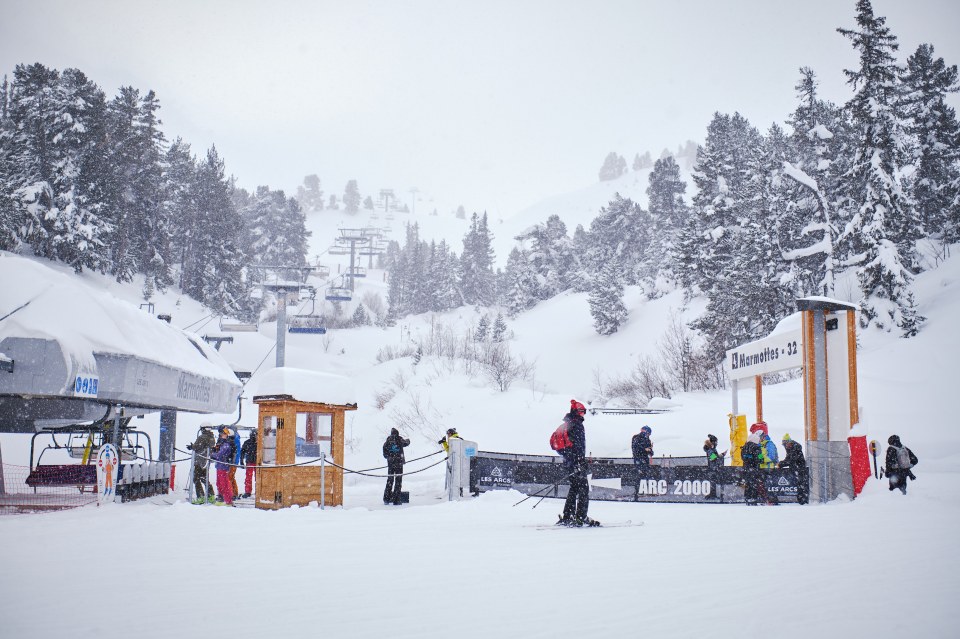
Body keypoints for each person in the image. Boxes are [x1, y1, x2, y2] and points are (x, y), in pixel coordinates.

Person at [558, 400, 599, 527]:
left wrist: (571, 460)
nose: (583, 415)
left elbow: (568, 447)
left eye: (584, 412)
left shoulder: (567, 424)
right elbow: (578, 446)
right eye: (581, 412)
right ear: (576, 412)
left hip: (569, 462)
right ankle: (581, 517)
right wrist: (580, 461)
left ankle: (568, 515)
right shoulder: (577, 425)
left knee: (574, 488)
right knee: (583, 489)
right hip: (576, 462)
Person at [750, 422, 778, 504]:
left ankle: (771, 500)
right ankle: (765, 499)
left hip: (768, 468)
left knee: (768, 485)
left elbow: (771, 457)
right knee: (761, 485)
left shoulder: (769, 444)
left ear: (763, 436)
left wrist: (761, 458)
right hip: (761, 468)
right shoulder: (759, 445)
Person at [186, 425, 216, 504]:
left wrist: (192, 447)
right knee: (204, 478)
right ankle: (211, 496)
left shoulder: (202, 437)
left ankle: (201, 497)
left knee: (196, 479)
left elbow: (197, 447)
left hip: (199, 461)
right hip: (206, 460)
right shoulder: (212, 437)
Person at [382, 428, 411, 505]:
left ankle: (386, 499)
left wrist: (390, 457)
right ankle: (396, 500)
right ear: (397, 433)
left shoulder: (387, 442)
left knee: (390, 481)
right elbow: (406, 443)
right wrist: (408, 440)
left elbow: (385, 454)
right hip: (399, 464)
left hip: (391, 464)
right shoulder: (399, 439)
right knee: (398, 481)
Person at [778, 433, 809, 505]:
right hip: (796, 469)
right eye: (783, 445)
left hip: (800, 469)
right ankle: (801, 499)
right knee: (799, 485)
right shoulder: (790, 448)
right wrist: (782, 463)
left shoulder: (795, 448)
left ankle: (803, 500)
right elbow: (788, 458)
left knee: (801, 485)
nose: (785, 446)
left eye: (785, 444)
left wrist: (782, 464)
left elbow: (792, 459)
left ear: (789, 442)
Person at [211, 427, 235, 506]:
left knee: (224, 484)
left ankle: (228, 501)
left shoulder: (226, 444)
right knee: (219, 483)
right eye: (221, 434)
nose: (222, 435)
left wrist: (212, 454)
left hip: (223, 466)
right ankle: (221, 499)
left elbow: (220, 455)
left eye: (223, 434)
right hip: (219, 465)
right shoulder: (222, 443)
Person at [740, 430, 764, 506]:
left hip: (746, 468)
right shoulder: (757, 447)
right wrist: (760, 459)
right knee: (754, 484)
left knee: (748, 484)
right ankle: (753, 498)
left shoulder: (744, 447)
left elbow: (742, 458)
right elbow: (760, 459)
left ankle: (747, 498)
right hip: (754, 469)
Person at [703, 434, 726, 499]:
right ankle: (712, 495)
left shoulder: (711, 449)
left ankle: (713, 495)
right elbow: (712, 458)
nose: (717, 443)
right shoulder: (710, 449)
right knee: (713, 482)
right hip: (713, 468)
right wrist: (721, 455)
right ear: (713, 442)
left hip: (713, 468)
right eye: (716, 442)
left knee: (713, 482)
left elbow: (713, 457)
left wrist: (720, 455)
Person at [240, 430, 257, 498]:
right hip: (251, 462)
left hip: (256, 462)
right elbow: (242, 452)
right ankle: (248, 491)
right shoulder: (248, 442)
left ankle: (253, 491)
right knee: (249, 478)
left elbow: (242, 452)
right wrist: (241, 460)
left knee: (255, 478)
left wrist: (241, 460)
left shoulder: (248, 442)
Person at [229, 427, 242, 498]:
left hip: (233, 462)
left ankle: (232, 493)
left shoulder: (234, 439)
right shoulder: (236, 438)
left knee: (229, 477)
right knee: (232, 477)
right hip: (235, 461)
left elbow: (234, 451)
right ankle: (234, 492)